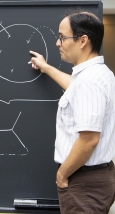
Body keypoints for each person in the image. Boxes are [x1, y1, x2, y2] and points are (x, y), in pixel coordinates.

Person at [30, 11, 115, 213]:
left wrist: (62, 175)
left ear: (83, 40)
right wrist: (46, 67)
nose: (58, 43)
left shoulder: (89, 82)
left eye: (62, 37)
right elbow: (74, 88)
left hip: (82, 182)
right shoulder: (98, 74)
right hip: (94, 178)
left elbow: (89, 139)